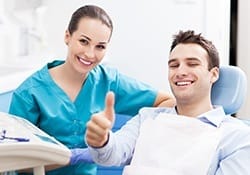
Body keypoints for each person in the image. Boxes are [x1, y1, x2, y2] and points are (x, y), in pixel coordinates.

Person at [8, 5, 175, 175]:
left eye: (100, 46)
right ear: (67, 36)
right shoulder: (29, 94)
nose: (90, 54)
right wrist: (70, 157)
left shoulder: (108, 81)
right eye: (84, 41)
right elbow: (15, 162)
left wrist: (124, 140)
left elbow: (168, 103)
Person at [86, 30, 250, 175]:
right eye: (174, 65)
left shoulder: (237, 137)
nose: (180, 72)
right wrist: (102, 141)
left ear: (214, 74)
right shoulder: (147, 118)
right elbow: (111, 155)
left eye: (192, 64)